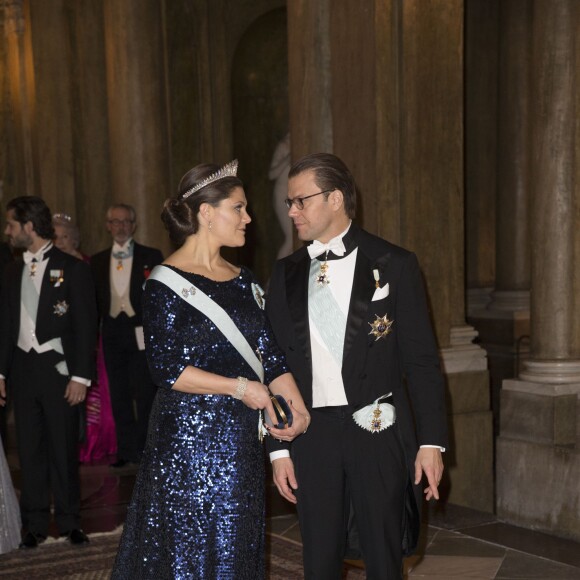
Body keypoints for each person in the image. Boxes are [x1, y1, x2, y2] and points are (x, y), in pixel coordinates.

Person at [111, 160, 310, 578]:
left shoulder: (244, 280)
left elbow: (269, 355)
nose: (248, 218)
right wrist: (242, 389)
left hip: (239, 444)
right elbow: (166, 369)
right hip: (184, 443)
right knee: (185, 555)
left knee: (235, 549)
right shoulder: (163, 283)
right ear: (206, 213)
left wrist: (294, 404)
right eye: (238, 208)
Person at [266, 153, 448, 579]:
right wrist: (277, 448)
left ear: (334, 199)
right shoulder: (285, 273)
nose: (291, 211)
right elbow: (271, 365)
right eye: (290, 202)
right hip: (311, 436)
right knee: (320, 561)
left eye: (300, 201)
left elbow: (422, 361)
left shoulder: (395, 264)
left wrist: (432, 442)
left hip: (377, 430)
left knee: (385, 560)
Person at [0, 196, 97, 548]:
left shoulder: (72, 268)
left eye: (11, 224)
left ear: (29, 226)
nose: (7, 231)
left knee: (63, 448)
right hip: (23, 371)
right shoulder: (11, 272)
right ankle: (35, 524)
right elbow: (5, 327)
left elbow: (87, 327)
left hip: (60, 373)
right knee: (29, 450)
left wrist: (81, 377)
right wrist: (0, 373)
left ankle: (71, 521)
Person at [91, 204, 163, 469]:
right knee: (118, 394)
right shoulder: (97, 261)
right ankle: (126, 450)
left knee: (145, 393)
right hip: (112, 334)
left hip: (142, 333)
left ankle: (145, 448)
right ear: (108, 226)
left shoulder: (151, 255)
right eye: (115, 221)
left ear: (133, 226)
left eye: (125, 222)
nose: (120, 226)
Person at [52, 213, 117, 463]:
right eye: (56, 237)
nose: (60, 242)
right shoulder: (52, 267)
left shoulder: (88, 263)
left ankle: (95, 441)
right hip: (60, 339)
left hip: (91, 337)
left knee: (95, 389)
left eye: (65, 237)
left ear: (75, 239)